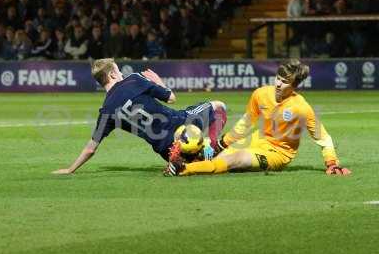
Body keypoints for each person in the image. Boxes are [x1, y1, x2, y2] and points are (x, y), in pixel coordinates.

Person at [168, 59, 351, 177]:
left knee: (234, 160)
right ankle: (184, 162)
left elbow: (323, 138)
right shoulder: (261, 94)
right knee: (213, 152)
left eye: (285, 81)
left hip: (277, 154)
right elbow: (246, 122)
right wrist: (223, 143)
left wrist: (331, 163)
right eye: (278, 78)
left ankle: (183, 170)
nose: (278, 84)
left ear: (294, 85)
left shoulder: (301, 108)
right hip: (257, 139)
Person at [52, 58, 227, 175]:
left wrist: (70, 169)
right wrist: (158, 82)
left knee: (191, 156)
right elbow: (172, 98)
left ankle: (185, 162)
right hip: (182, 124)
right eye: (119, 71)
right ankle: (211, 147)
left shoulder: (106, 111)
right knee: (219, 106)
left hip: (165, 150)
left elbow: (91, 148)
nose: (121, 74)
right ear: (112, 74)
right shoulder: (134, 80)